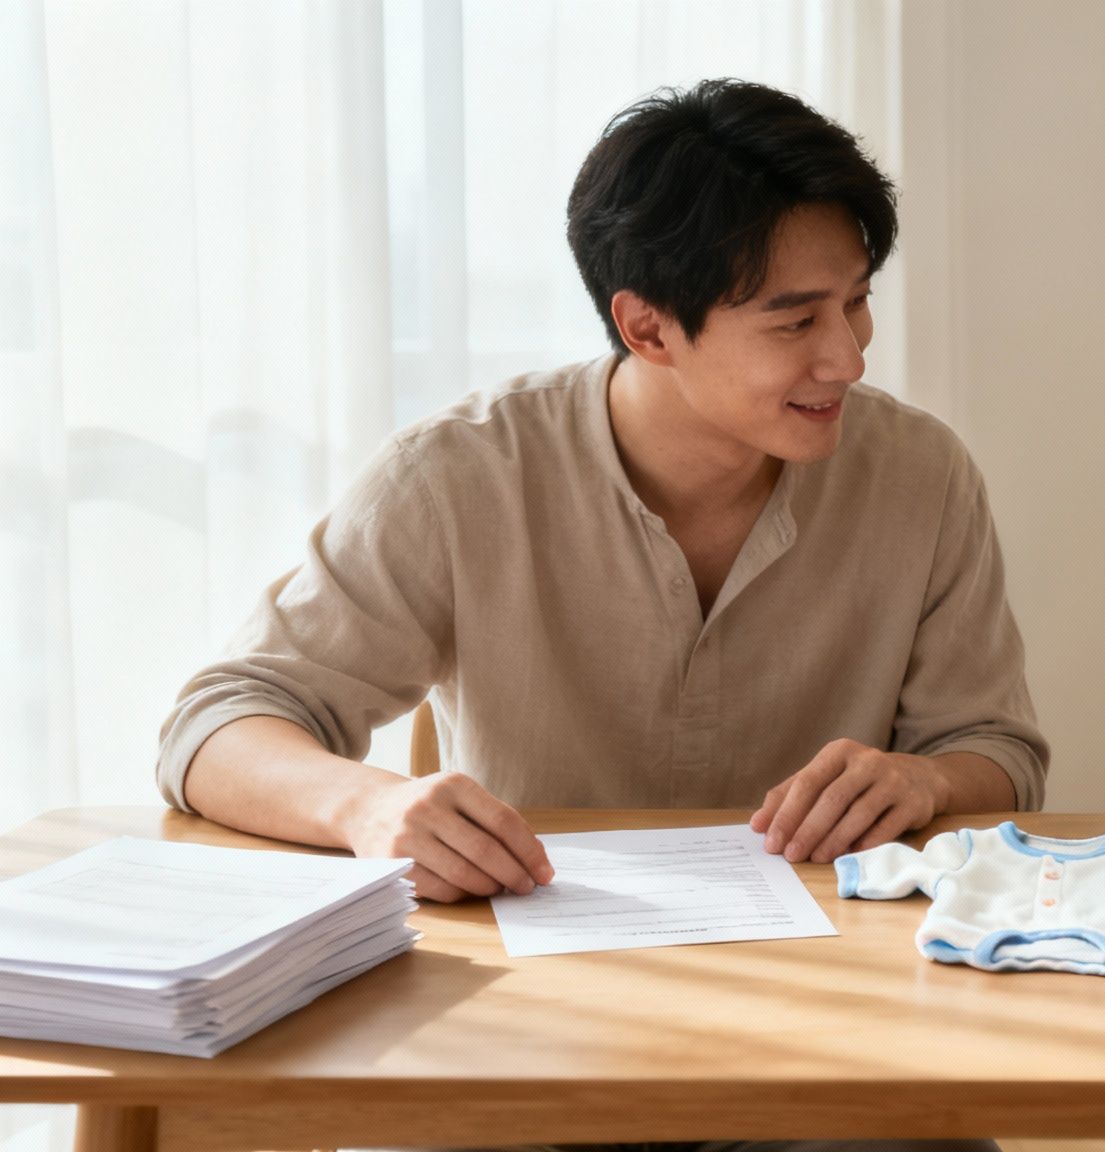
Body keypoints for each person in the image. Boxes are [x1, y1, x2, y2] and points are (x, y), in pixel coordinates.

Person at [158, 79, 1047, 912]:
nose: (849, 358)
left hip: (840, 969)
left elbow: (1000, 751)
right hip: (534, 974)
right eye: (796, 321)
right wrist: (362, 806)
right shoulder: (456, 477)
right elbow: (215, 726)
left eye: (856, 302)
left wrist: (926, 779)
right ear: (647, 326)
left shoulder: (919, 475)